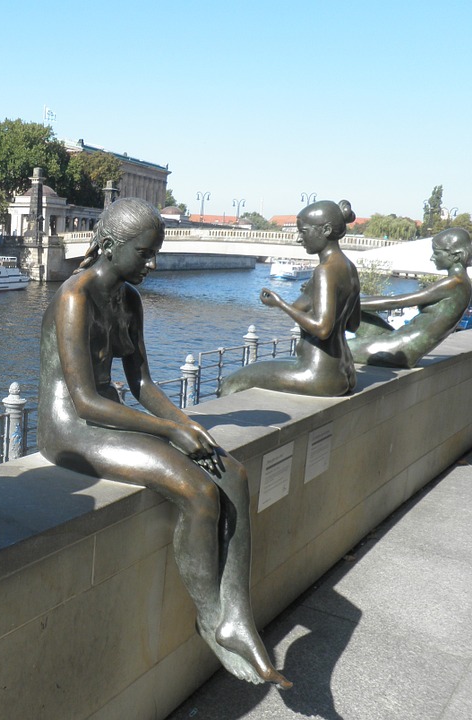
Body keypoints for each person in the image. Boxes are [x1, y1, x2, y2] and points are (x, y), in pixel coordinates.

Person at [38, 197, 290, 688]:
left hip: (108, 417)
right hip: (70, 429)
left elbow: (142, 384)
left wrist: (186, 425)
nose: (153, 264)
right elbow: (85, 402)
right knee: (198, 492)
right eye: (145, 253)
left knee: (233, 474)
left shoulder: (128, 300)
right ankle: (210, 617)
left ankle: (239, 617)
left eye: (155, 253)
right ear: (109, 246)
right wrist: (170, 432)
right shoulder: (74, 299)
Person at [219, 200, 361, 397]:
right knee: (262, 366)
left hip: (317, 374)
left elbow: (322, 329)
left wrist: (280, 304)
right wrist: (312, 293)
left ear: (326, 230)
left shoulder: (325, 271)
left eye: (303, 232)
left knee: (230, 383)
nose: (298, 239)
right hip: (344, 369)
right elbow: (353, 324)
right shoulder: (349, 267)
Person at [347, 228, 472, 368]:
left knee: (337, 350)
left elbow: (397, 302)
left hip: (401, 351)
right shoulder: (462, 283)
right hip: (399, 340)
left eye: (437, 253)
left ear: (456, 256)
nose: (432, 258)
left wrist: (348, 303)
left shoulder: (454, 283)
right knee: (356, 312)